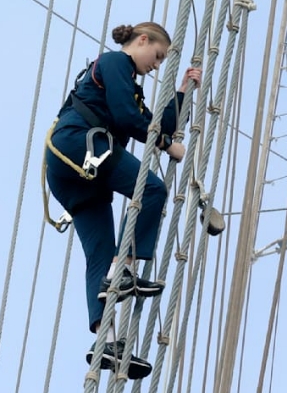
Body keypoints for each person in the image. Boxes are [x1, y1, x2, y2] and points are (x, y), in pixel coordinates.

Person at [45, 22, 202, 379]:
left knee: (99, 253)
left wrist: (183, 93)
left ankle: (106, 342)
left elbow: (152, 122)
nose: (157, 65)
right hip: (80, 143)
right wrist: (165, 145)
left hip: (74, 172)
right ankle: (126, 268)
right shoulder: (116, 63)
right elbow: (127, 117)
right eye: (158, 56)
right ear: (142, 40)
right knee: (152, 190)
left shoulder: (128, 86)